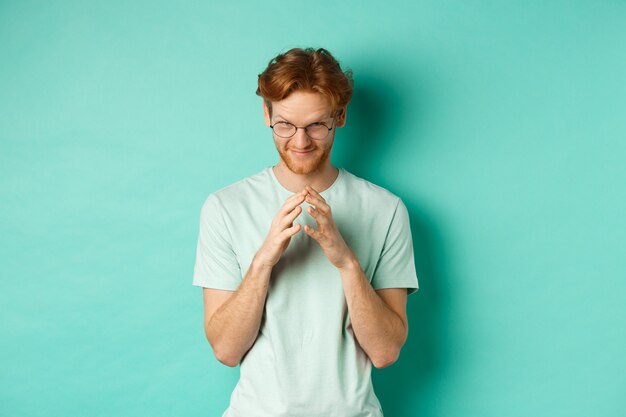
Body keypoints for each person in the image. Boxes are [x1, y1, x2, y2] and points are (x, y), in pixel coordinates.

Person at [192, 47, 419, 417]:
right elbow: (226, 350)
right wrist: (263, 261)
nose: (300, 142)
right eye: (285, 125)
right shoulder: (224, 207)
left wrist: (347, 262)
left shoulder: (386, 210)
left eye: (316, 124)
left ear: (340, 117)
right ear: (266, 114)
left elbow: (385, 352)